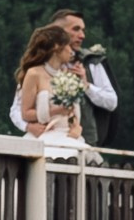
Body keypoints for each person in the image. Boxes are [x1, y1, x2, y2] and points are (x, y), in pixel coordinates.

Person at [6, 9, 118, 141]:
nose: (82, 35)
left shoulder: (91, 62)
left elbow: (112, 102)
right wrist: (28, 127)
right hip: (44, 138)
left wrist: (86, 86)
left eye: (83, 30)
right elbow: (17, 109)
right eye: (76, 29)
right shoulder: (35, 71)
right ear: (58, 32)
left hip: (81, 140)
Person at [15, 22, 85, 150]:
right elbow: (25, 113)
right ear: (56, 47)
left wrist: (76, 127)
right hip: (44, 134)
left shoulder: (67, 75)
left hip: (69, 136)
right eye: (68, 45)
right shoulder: (34, 74)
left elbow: (72, 111)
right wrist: (56, 111)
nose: (71, 50)